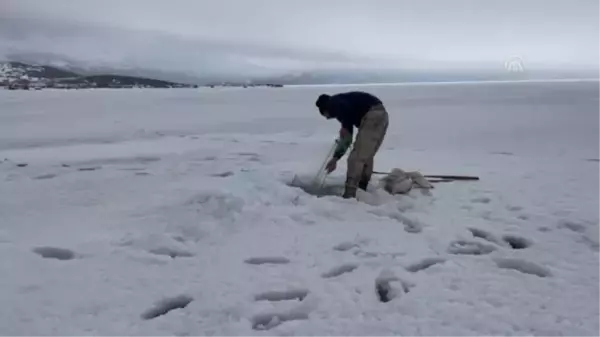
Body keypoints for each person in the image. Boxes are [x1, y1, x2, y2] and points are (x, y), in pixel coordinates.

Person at [315, 91, 389, 199]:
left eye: (325, 115)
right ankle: (362, 189)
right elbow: (347, 138)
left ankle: (350, 195)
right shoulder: (344, 109)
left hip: (374, 115)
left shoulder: (335, 102)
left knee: (356, 157)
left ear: (325, 109)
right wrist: (335, 158)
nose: (327, 118)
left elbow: (346, 114)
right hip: (380, 116)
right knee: (365, 155)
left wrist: (344, 126)